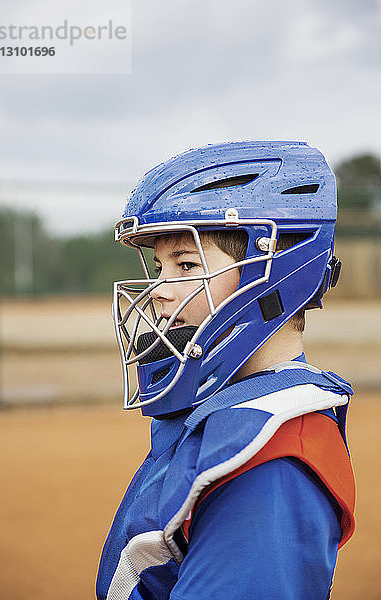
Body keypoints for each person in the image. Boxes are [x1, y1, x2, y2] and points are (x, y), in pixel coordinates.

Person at [96, 141, 355, 600]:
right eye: (161, 267)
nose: (158, 291)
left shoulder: (270, 460)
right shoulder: (229, 416)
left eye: (186, 264)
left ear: (273, 274)